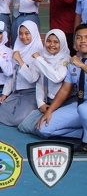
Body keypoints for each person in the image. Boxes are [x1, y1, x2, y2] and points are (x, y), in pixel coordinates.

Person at [36, 24, 87, 153]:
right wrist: (50, 110)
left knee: (83, 109)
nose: (82, 41)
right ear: (75, 42)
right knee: (43, 128)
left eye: (86, 37)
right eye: (79, 38)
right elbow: (65, 90)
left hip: (84, 108)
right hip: (80, 105)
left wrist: (82, 66)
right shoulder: (73, 62)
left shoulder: (78, 63)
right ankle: (83, 132)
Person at [18, 29, 71, 136]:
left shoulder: (65, 60)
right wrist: (40, 103)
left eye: (56, 42)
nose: (51, 45)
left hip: (62, 103)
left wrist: (39, 59)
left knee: (42, 129)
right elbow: (36, 80)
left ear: (62, 43)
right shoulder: (42, 57)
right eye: (49, 41)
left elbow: (57, 77)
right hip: (47, 103)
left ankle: (78, 133)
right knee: (24, 126)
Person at [0, 20, 43, 127]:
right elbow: (12, 75)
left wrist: (20, 60)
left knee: (19, 120)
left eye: (27, 33)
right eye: (20, 33)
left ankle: (35, 112)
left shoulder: (38, 53)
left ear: (34, 33)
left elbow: (32, 79)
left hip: (31, 92)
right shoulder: (17, 49)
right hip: (16, 92)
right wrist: (5, 93)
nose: (23, 37)